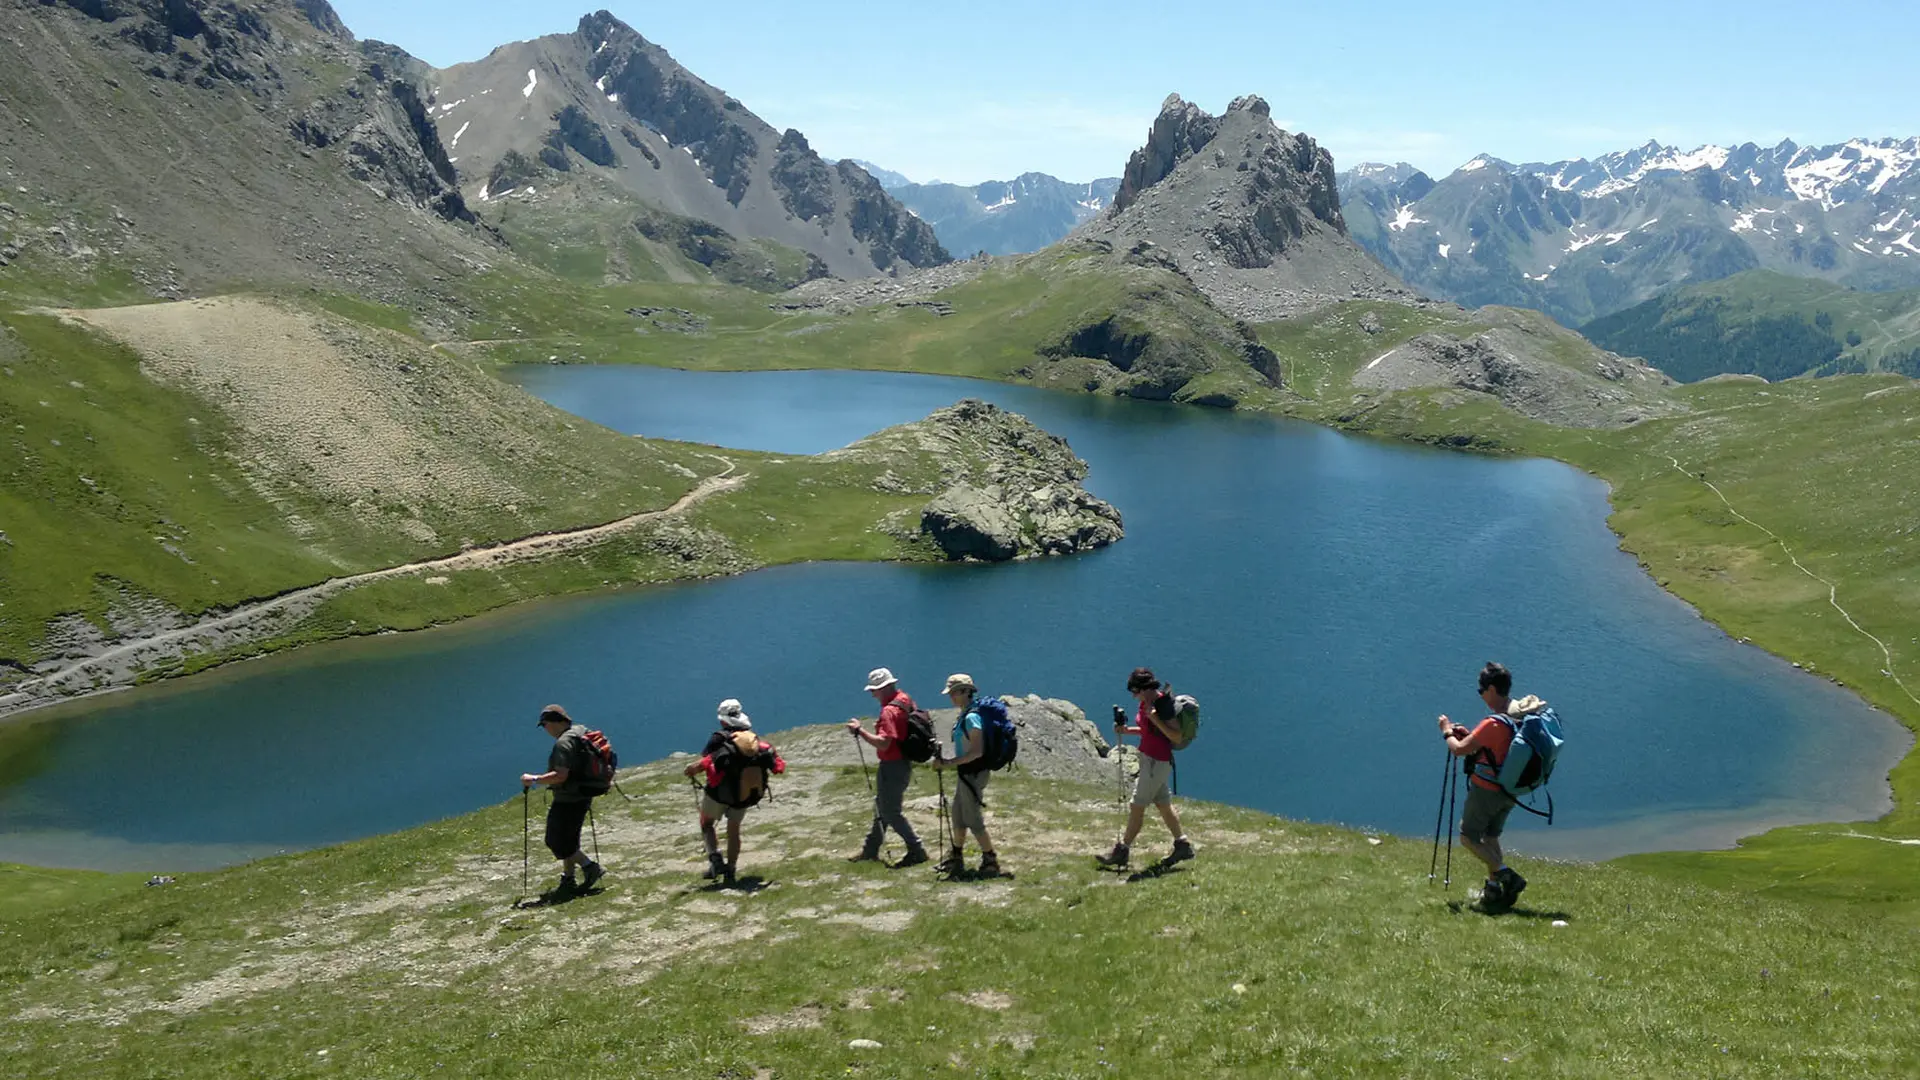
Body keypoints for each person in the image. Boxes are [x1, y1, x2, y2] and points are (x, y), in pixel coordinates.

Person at [1438, 661, 1539, 909]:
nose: (1480, 694)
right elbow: (1494, 747)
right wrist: (1469, 733)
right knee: (1490, 837)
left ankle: (1507, 876)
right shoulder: (1516, 716)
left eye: (1481, 689)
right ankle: (1493, 892)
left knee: (1468, 837)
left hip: (1487, 791)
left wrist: (1447, 732)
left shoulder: (1493, 723)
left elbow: (1460, 750)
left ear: (1492, 689)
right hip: (1509, 791)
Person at [1097, 667, 1195, 869]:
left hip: (1157, 762)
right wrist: (1127, 730)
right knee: (1163, 804)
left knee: (1136, 805)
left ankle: (1122, 851)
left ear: (1143, 689)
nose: (1133, 696)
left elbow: (1175, 736)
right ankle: (1182, 845)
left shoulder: (1163, 706)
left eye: (1135, 692)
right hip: (1150, 760)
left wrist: (1155, 717)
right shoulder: (1147, 704)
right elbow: (1148, 730)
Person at [684, 698, 784, 887]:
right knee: (734, 831)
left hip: (718, 793)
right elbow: (779, 767)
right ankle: (731, 870)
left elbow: (706, 761)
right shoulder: (752, 741)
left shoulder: (718, 738)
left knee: (706, 823)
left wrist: (691, 770)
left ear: (722, 720)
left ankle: (715, 858)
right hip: (744, 796)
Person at [846, 667, 930, 867]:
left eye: (874, 690)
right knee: (881, 806)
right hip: (903, 762)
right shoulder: (904, 699)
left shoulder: (888, 712)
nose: (872, 694)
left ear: (883, 688)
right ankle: (871, 849)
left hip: (892, 765)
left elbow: (884, 743)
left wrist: (860, 731)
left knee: (890, 811)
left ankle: (916, 849)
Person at [520, 704, 605, 894]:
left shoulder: (562, 744)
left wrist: (533, 779)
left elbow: (560, 776)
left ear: (553, 723)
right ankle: (568, 878)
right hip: (584, 793)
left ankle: (590, 867)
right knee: (569, 839)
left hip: (569, 798)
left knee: (555, 841)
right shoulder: (580, 731)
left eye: (544, 725)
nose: (545, 730)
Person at [931, 673, 1000, 877]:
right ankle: (956, 856)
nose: (951, 697)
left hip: (974, 774)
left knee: (972, 818)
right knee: (958, 816)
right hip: (967, 773)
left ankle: (990, 860)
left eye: (953, 693)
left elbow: (976, 751)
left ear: (964, 692)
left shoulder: (971, 717)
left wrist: (949, 763)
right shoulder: (966, 713)